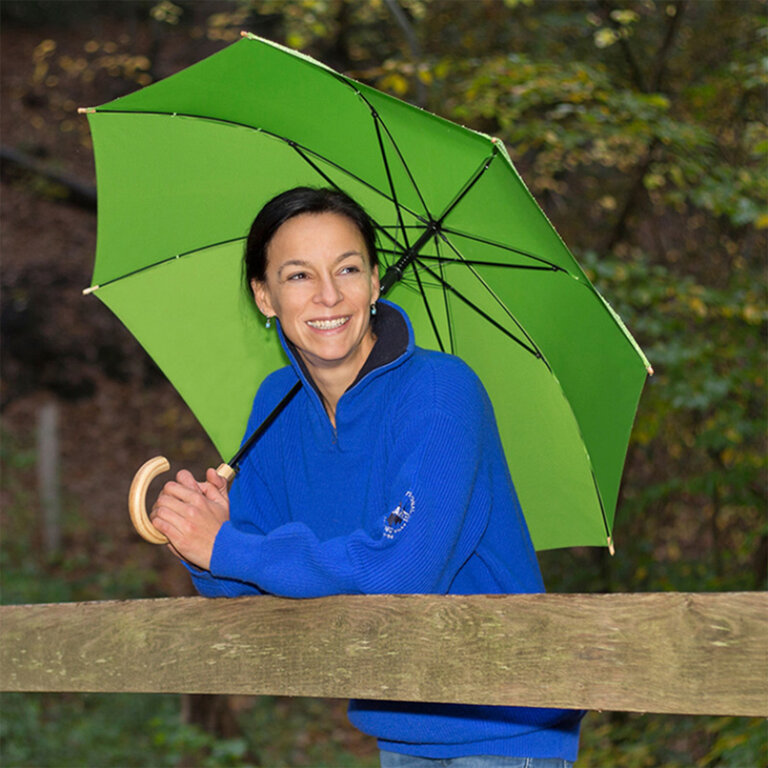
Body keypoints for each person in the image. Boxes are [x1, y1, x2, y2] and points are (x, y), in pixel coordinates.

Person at [150, 187, 583, 767]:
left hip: (503, 725)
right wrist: (198, 538)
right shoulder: (274, 405)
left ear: (376, 282)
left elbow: (402, 569)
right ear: (265, 296)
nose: (329, 295)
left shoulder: (441, 392)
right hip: (399, 725)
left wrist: (228, 545)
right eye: (299, 275)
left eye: (347, 268)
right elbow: (241, 583)